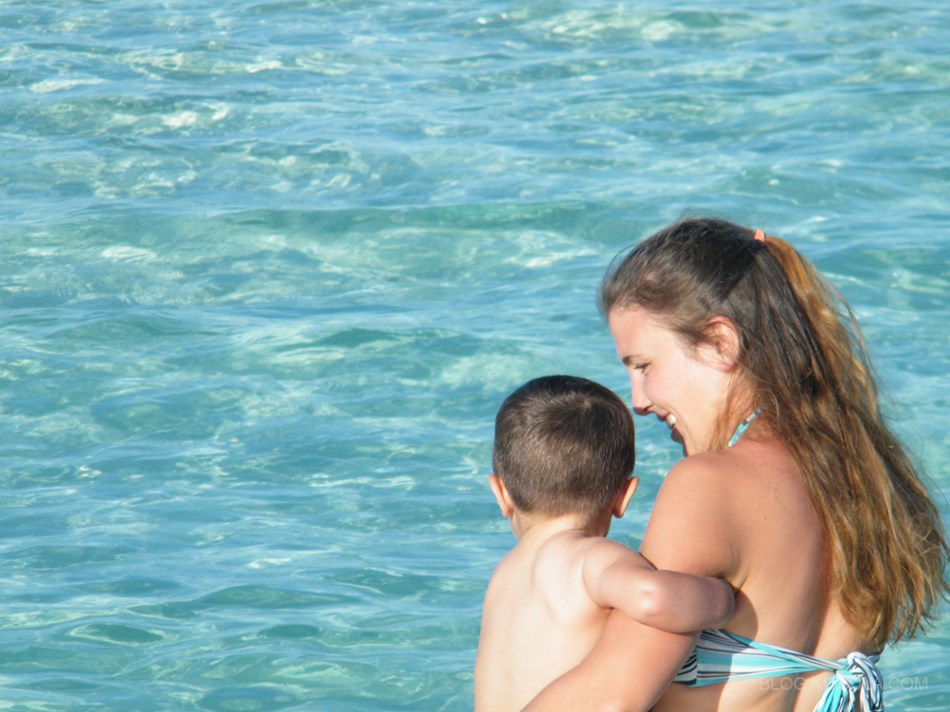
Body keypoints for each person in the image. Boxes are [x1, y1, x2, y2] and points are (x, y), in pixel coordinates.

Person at [522, 218, 949, 711]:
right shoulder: (861, 474)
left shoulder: (708, 485)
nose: (637, 400)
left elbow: (608, 699)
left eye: (643, 366)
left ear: (720, 343)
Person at [475, 375, 735, 712]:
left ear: (500, 493)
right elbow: (651, 597)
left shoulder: (503, 576)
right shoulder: (589, 558)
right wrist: (721, 599)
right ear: (623, 496)